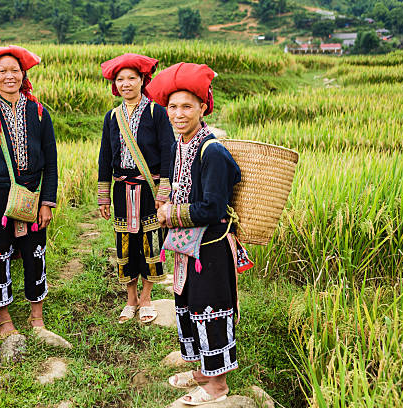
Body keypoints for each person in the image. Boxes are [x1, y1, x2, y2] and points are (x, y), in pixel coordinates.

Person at [148, 62, 243, 405]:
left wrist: (169, 213)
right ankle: (203, 372)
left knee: (210, 309)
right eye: (172, 106)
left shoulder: (211, 150)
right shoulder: (181, 146)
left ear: (204, 107)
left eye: (187, 105)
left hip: (212, 248)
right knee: (190, 306)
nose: (177, 113)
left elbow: (214, 208)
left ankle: (218, 387)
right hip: (190, 245)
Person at [0, 45, 68, 347]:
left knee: (34, 252)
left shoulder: (39, 113)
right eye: (2, 71)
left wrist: (47, 202)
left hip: (33, 195)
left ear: (23, 74)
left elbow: (51, 162)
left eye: (14, 70)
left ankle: (36, 317)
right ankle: (5, 320)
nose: (9, 76)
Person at [98, 53, 175, 324]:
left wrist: (164, 191)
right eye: (121, 79)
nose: (126, 83)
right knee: (124, 244)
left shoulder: (156, 113)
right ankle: (130, 298)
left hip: (150, 190)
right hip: (121, 190)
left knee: (150, 242)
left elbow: (168, 151)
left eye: (132, 78)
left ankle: (146, 297)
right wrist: (104, 195)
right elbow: (105, 156)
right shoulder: (112, 117)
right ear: (115, 84)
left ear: (143, 80)